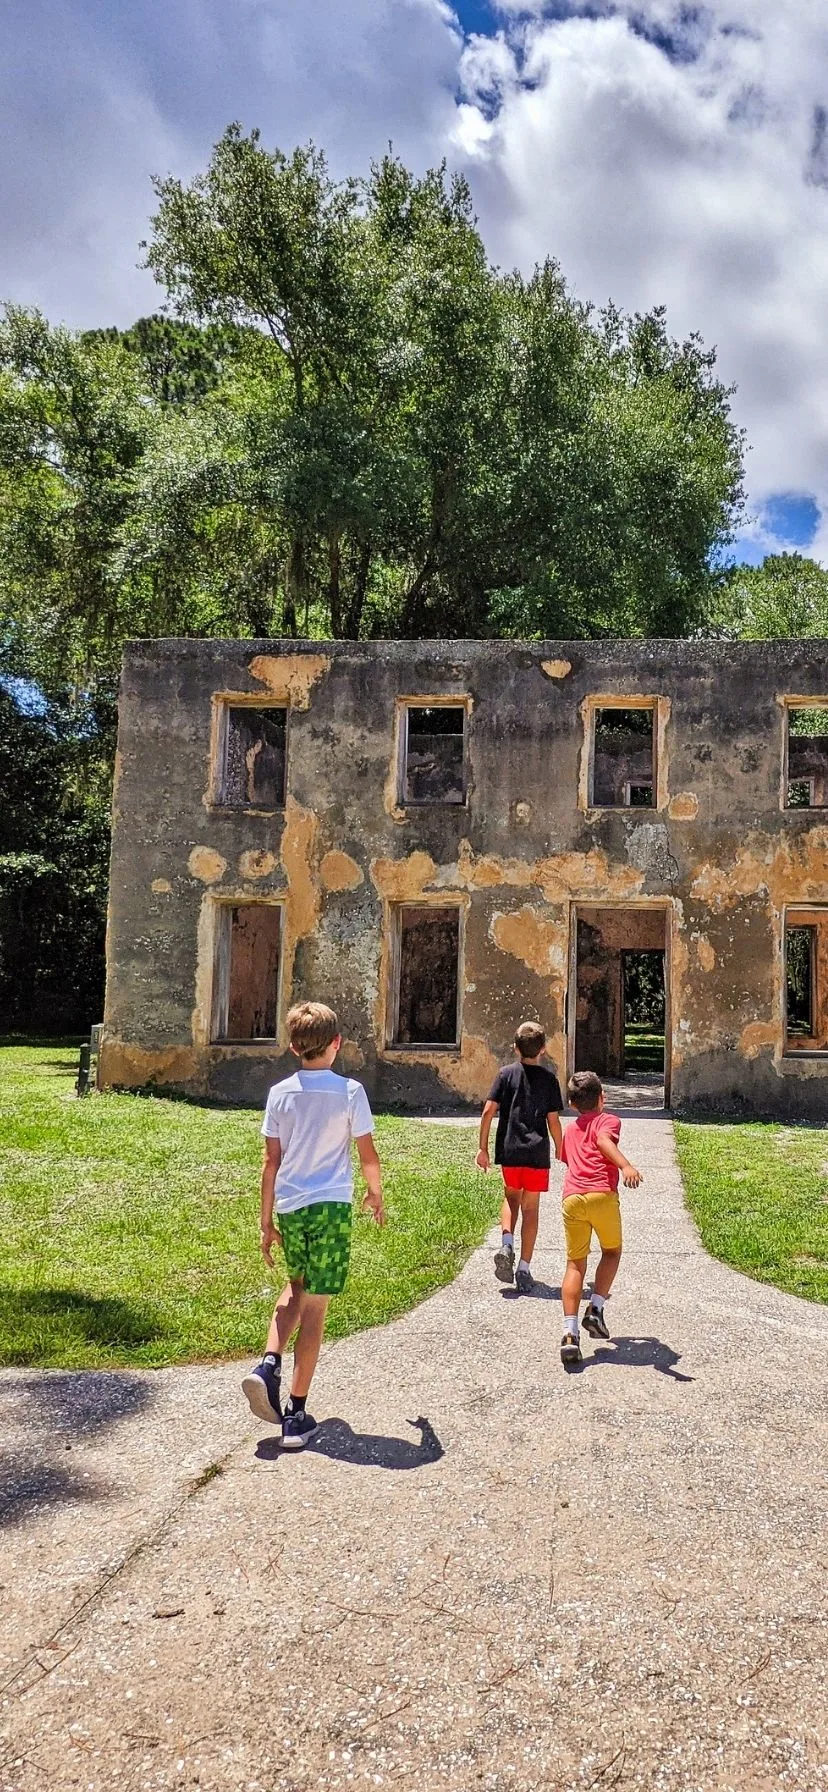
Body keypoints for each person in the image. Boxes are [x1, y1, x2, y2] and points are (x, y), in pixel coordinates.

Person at [242, 1001, 385, 1449]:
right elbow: (366, 1153)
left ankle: (267, 1364)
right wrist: (375, 1192)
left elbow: (271, 1162)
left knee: (295, 1285)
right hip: (330, 1207)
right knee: (316, 1307)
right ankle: (296, 1415)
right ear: (337, 1044)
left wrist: (265, 1223)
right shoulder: (349, 1092)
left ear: (293, 1046)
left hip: (290, 1205)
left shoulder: (280, 1094)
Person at [558, 1069, 641, 1366]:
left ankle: (569, 1335)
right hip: (601, 1196)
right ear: (602, 1097)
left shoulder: (570, 1130)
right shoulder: (609, 1120)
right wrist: (625, 1165)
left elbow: (566, 1158)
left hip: (572, 1199)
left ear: (573, 1103)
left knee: (574, 1263)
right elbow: (605, 1141)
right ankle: (595, 1308)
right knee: (611, 1251)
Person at [476, 1021, 564, 1294]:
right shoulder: (549, 1080)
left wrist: (483, 1148)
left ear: (515, 1048)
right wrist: (561, 1147)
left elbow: (488, 1111)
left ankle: (506, 1242)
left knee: (511, 1197)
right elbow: (553, 1120)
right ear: (544, 1050)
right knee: (531, 1209)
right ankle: (524, 1268)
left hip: (510, 1149)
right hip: (537, 1152)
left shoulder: (505, 1075)